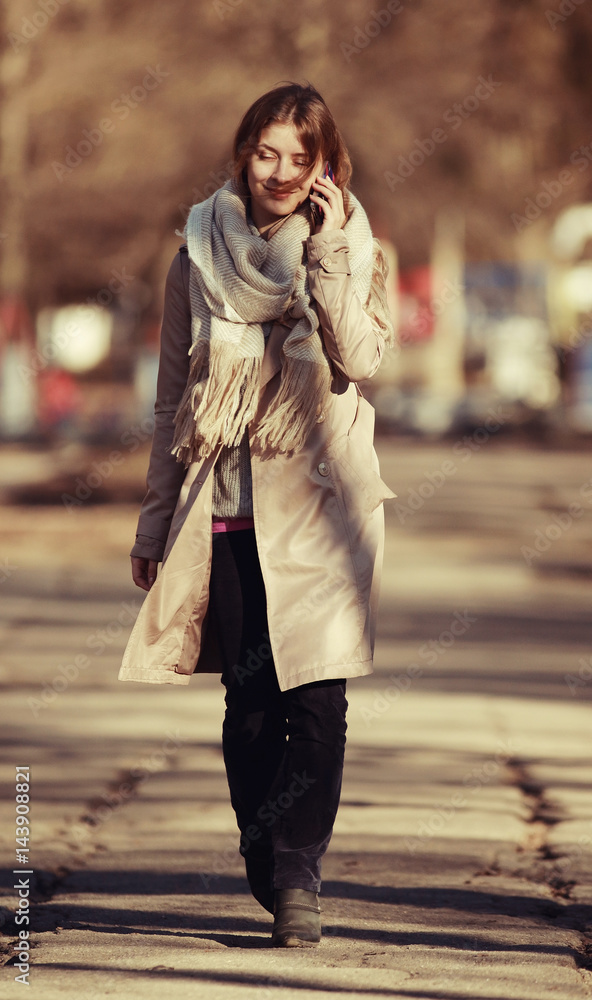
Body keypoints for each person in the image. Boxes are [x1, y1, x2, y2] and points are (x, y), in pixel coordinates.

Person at [119, 82, 395, 947]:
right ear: (244, 154)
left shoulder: (354, 247)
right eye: (264, 153)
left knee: (317, 700)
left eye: (297, 158)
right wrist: (154, 525)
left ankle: (296, 873)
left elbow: (361, 358)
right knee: (248, 702)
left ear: (324, 167)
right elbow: (172, 401)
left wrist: (330, 256)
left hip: (323, 513)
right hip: (227, 512)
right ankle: (262, 847)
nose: (278, 172)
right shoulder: (197, 255)